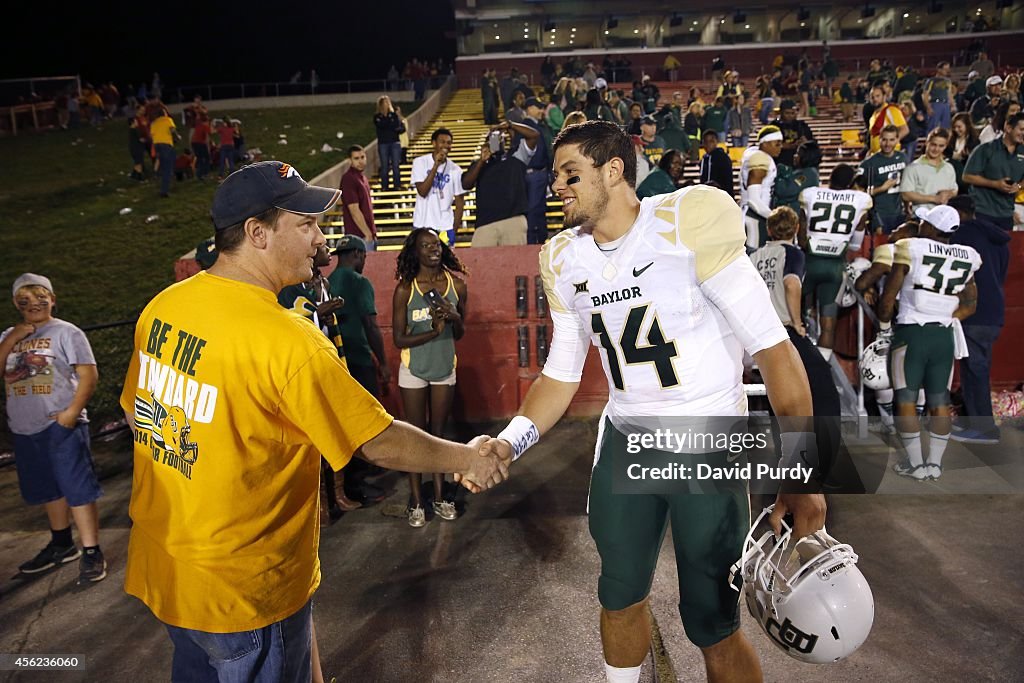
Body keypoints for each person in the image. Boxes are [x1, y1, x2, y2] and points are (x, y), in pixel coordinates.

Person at [119, 162, 504, 681]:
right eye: (305, 224)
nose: (320, 239)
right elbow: (377, 441)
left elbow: (133, 410)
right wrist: (465, 458)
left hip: (169, 568)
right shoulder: (286, 339)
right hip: (246, 587)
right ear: (257, 233)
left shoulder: (165, 307)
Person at [481, 120, 825, 683]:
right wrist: (509, 441)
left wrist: (805, 474)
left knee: (713, 619)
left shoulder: (686, 225)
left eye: (571, 174)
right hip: (627, 444)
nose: (557, 187)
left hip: (707, 443)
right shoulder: (567, 259)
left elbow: (776, 354)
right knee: (618, 593)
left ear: (613, 170)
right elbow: (561, 376)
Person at [2, 274, 104, 585]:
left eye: (40, 298)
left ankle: (92, 550)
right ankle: (62, 543)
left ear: (53, 299)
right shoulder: (9, 334)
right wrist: (13, 338)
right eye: (26, 300)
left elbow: (88, 375)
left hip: (60, 423)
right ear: (16, 304)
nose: (34, 304)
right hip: (25, 427)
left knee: (77, 488)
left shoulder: (66, 332)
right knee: (48, 488)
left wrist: (72, 413)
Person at [878, 205, 980, 480]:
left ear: (932, 228)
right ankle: (934, 464)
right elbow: (970, 303)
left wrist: (885, 327)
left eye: (925, 223)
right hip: (944, 335)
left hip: (911, 332)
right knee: (939, 401)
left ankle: (915, 464)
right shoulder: (968, 255)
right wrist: (943, 315)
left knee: (906, 399)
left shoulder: (910, 246)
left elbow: (888, 299)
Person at [392, 228, 469, 527]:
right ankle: (416, 500)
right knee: (415, 435)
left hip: (444, 367)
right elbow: (399, 339)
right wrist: (433, 332)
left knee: (438, 434)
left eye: (436, 244)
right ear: (416, 252)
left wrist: (456, 317)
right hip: (413, 369)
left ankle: (438, 497)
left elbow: (461, 333)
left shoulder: (457, 286)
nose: (433, 249)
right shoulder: (405, 289)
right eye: (426, 246)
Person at [751, 207, 841, 418]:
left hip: (760, 333)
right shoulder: (792, 253)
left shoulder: (753, 256)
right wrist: (797, 322)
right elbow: (791, 284)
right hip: (783, 329)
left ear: (768, 229)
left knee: (780, 389)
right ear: (797, 228)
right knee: (821, 380)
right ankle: (825, 446)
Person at [947, 195, 1010, 444]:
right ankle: (974, 422)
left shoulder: (962, 236)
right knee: (977, 368)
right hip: (994, 311)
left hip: (975, 311)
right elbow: (1001, 274)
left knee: (976, 370)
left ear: (957, 213)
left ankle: (984, 429)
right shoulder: (998, 239)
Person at [797, 164, 871, 358]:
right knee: (828, 325)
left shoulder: (811, 194)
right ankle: (823, 373)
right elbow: (856, 245)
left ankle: (797, 364)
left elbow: (802, 238)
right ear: (851, 183)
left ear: (830, 178)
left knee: (793, 317)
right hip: (835, 267)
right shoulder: (860, 200)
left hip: (809, 263)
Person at [461, 120, 539, 247]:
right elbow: (466, 184)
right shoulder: (479, 164)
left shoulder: (516, 155)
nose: (496, 140)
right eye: (492, 137)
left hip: (513, 220)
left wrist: (511, 124)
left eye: (499, 137)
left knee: (515, 264)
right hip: (485, 223)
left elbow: (534, 135)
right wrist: (481, 161)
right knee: (479, 264)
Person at [962, 111, 1024, 231]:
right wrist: (994, 184)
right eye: (1021, 129)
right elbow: (967, 176)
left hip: (1006, 213)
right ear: (1008, 127)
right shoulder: (985, 149)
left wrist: (1019, 186)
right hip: (982, 211)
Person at [412, 128, 465, 246]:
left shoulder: (456, 169)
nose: (446, 145)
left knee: (445, 262)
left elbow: (460, 202)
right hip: (422, 224)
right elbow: (422, 191)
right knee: (421, 261)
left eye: (449, 143)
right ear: (434, 143)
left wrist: (454, 230)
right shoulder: (420, 162)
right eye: (442, 141)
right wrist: (436, 165)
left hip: (445, 226)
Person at [859, 125, 910, 233]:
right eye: (884, 140)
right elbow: (859, 193)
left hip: (899, 213)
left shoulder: (903, 158)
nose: (887, 144)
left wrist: (907, 208)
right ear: (879, 139)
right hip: (878, 214)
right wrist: (882, 188)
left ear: (897, 139)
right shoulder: (868, 164)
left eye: (892, 140)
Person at [740, 125, 784, 249]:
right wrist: (775, 217)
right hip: (755, 216)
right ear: (765, 143)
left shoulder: (753, 154)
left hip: (751, 214)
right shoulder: (760, 159)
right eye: (777, 144)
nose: (780, 148)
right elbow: (754, 200)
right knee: (754, 260)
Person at [899, 127, 957, 213]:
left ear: (945, 146)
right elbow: (905, 194)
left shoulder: (949, 168)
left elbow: (954, 189)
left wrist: (949, 193)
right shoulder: (913, 167)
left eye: (941, 146)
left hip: (943, 217)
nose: (936, 149)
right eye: (933, 144)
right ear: (927, 143)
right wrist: (934, 199)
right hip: (922, 217)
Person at [340, 145, 377, 249]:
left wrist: (372, 233)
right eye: (356, 158)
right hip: (359, 237)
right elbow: (354, 210)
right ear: (349, 160)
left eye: (362, 157)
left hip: (367, 234)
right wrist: (368, 234)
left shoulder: (362, 178)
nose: (360, 161)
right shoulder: (348, 179)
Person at [374, 95, 405, 192]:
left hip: (394, 143)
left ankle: (397, 185)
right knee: (384, 165)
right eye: (384, 103)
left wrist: (393, 120)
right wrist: (390, 122)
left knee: (396, 165)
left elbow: (398, 126)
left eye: (387, 103)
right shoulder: (377, 117)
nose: (386, 105)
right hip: (383, 143)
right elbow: (382, 125)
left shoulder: (394, 115)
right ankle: (384, 186)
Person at [867, 86, 909, 155]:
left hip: (889, 154)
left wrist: (890, 144)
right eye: (872, 97)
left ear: (884, 96)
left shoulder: (891, 110)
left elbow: (905, 130)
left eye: (878, 96)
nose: (875, 99)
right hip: (876, 155)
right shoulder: (873, 116)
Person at [772, 99, 814, 167]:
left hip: (798, 163)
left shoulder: (802, 125)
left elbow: (812, 143)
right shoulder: (774, 125)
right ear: (781, 112)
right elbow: (769, 145)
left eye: (793, 113)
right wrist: (787, 146)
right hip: (779, 162)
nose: (790, 116)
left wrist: (805, 143)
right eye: (787, 113)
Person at [149, 107, 178, 198]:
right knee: (168, 167)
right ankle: (164, 190)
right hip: (166, 145)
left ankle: (161, 177)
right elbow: (172, 129)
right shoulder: (168, 120)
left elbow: (151, 135)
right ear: (165, 113)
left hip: (157, 145)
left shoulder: (154, 123)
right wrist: (177, 137)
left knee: (163, 163)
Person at [698, 131, 734, 195]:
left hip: (721, 195)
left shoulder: (723, 158)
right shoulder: (703, 160)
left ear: (716, 142)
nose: (708, 144)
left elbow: (728, 180)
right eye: (705, 142)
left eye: (711, 141)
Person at [923, 61, 953, 132]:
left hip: (945, 104)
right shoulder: (931, 81)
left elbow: (949, 94)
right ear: (939, 69)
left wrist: (952, 105)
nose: (947, 71)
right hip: (935, 104)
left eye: (948, 69)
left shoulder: (948, 81)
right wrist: (928, 107)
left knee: (946, 127)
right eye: (945, 69)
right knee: (933, 126)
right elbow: (925, 94)